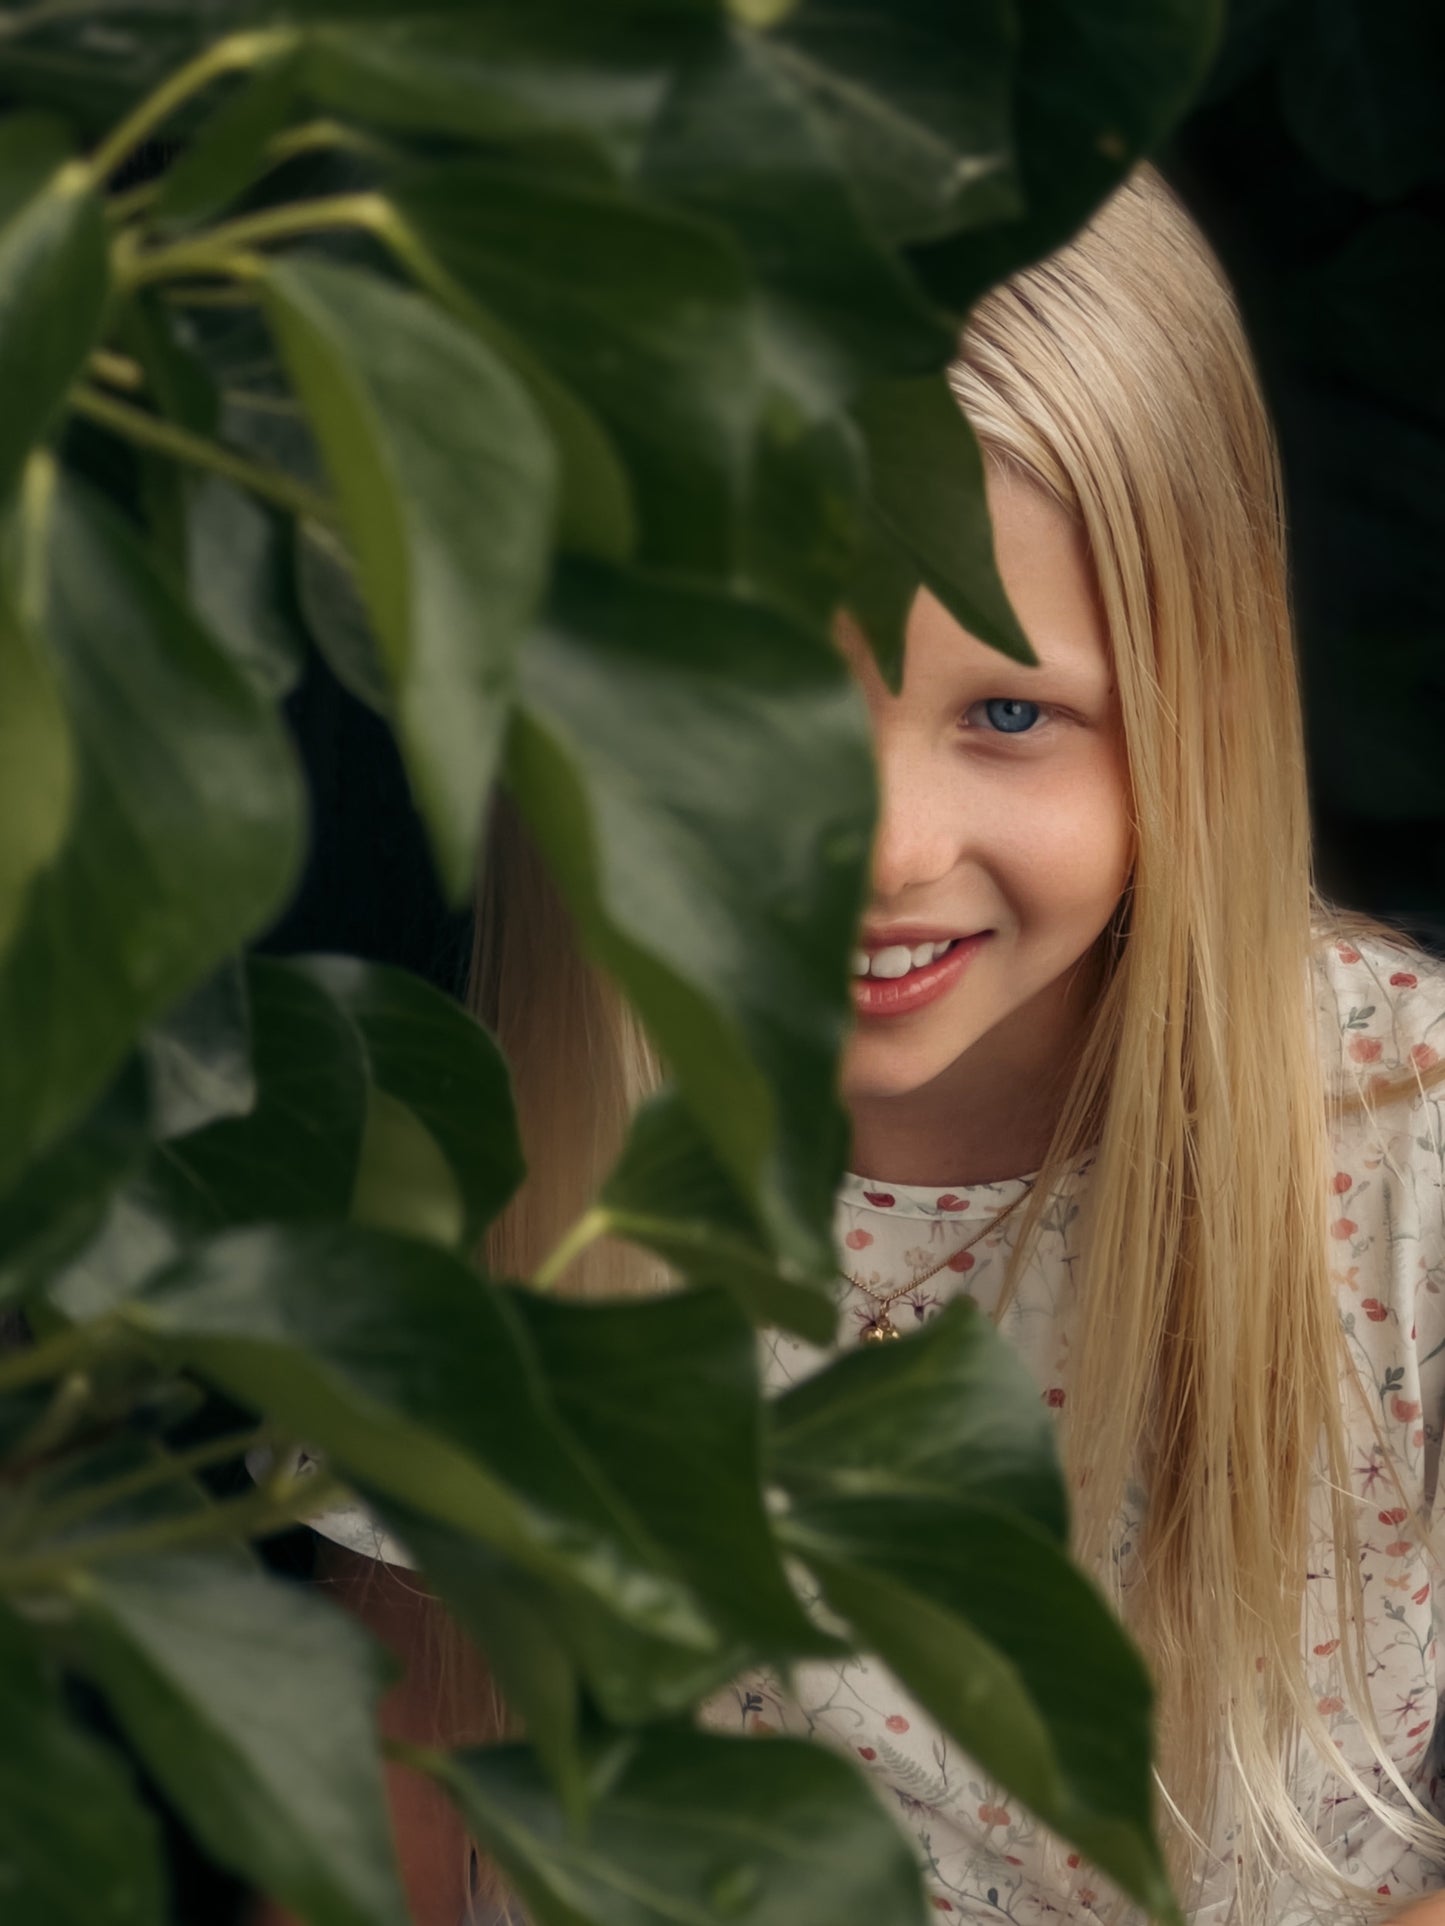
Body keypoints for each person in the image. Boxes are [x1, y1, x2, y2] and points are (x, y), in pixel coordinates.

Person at [255, 162, 1445, 1926]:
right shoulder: (479, 1194)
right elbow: (387, 1841)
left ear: (1195, 700)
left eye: (1011, 711)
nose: (876, 846)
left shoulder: (1401, 1141)